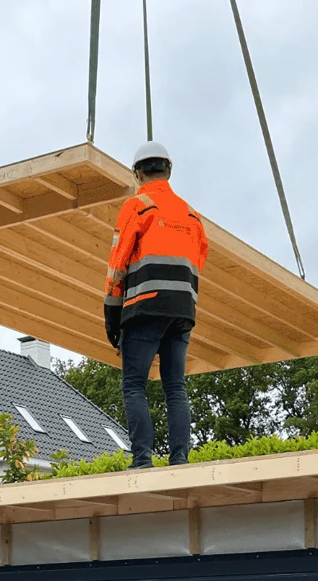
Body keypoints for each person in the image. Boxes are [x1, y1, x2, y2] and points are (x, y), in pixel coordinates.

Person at [104, 142, 209, 469]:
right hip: (182, 312)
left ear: (137, 174)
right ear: (169, 171)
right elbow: (199, 259)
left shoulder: (137, 206)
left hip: (144, 309)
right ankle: (180, 461)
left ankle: (142, 461)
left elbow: (117, 264)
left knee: (134, 385)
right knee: (175, 386)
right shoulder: (192, 215)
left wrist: (112, 317)